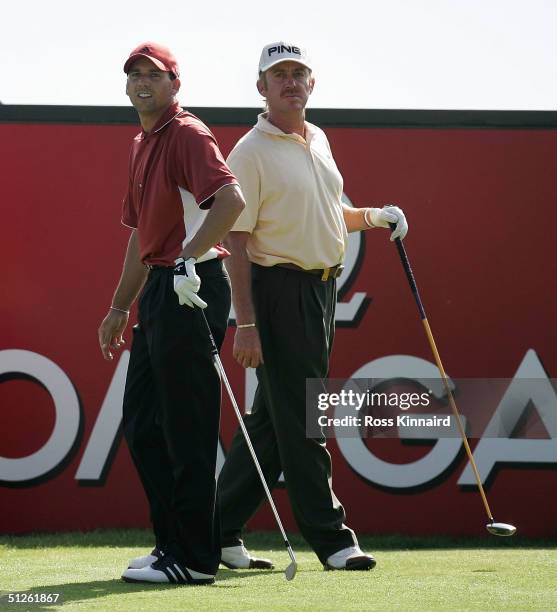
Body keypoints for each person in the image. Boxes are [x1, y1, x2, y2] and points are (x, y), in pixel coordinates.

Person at [217, 41, 408, 572]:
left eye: (299, 73)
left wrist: (371, 216)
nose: (291, 82)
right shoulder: (249, 152)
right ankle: (332, 539)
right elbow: (236, 242)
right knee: (304, 416)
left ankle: (218, 531)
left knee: (275, 421)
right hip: (279, 292)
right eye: (279, 75)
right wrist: (247, 322)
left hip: (321, 291)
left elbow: (328, 213)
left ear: (312, 83)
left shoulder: (317, 139)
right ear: (261, 88)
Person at [97, 41, 245, 585]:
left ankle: (195, 558)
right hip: (162, 288)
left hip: (194, 284)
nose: (142, 83)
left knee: (187, 424)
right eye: (133, 74)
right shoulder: (142, 142)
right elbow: (141, 238)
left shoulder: (186, 133)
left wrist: (188, 258)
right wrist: (118, 306)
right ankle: (172, 544)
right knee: (142, 422)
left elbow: (230, 201)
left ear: (174, 84)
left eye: (153, 75)